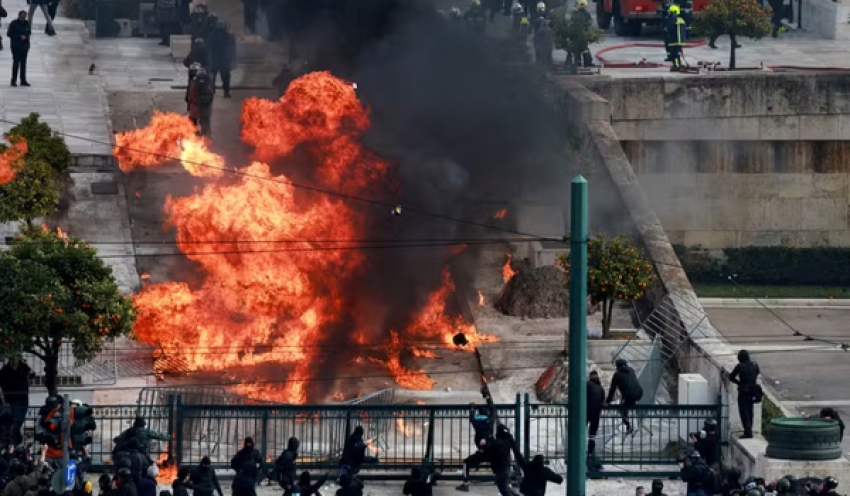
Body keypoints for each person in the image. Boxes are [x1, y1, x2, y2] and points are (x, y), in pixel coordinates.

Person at [456, 391, 496, 492]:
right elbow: (493, 410)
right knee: (499, 464)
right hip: (492, 452)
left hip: (481, 452)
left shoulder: (476, 422)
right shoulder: (490, 421)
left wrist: (472, 407)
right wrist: (488, 399)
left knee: (466, 463)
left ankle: (465, 483)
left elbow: (471, 416)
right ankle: (503, 480)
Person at [604, 358, 643, 435]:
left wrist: (607, 402)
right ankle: (633, 425)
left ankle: (629, 426)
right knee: (630, 406)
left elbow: (612, 390)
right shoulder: (631, 370)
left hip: (628, 395)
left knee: (621, 409)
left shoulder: (617, 374)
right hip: (639, 393)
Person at [730, 349, 761, 439]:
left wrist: (739, 382)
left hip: (744, 390)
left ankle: (747, 431)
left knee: (744, 411)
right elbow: (757, 372)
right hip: (753, 390)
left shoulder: (740, 366)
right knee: (750, 410)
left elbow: (731, 377)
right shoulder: (755, 365)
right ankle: (749, 429)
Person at [0, 359, 31, 446]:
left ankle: (15, 440)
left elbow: (30, 374)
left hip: (23, 398)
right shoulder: (5, 370)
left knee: (20, 418)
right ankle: (15, 441)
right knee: (15, 420)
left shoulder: (23, 368)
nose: (15, 365)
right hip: (12, 399)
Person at [208, 20, 235, 98]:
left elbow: (232, 49)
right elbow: (209, 49)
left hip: (222, 60)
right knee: (215, 78)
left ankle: (224, 92)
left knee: (223, 78)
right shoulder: (212, 36)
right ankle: (217, 91)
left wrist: (232, 59)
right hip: (218, 60)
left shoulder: (227, 37)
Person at [586, 370, 605, 470]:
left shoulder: (587, 385)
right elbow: (603, 400)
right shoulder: (600, 388)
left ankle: (578, 452)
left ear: (590, 377)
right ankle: (590, 453)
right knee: (592, 436)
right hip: (596, 414)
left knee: (580, 433)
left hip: (585, 413)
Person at [188, 66, 214, 137]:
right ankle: (204, 137)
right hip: (202, 107)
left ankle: (200, 138)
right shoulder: (206, 81)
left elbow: (193, 94)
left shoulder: (198, 81)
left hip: (198, 107)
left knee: (196, 122)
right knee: (203, 123)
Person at [570, 0, 594, 68]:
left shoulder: (575, 13)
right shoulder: (585, 13)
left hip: (579, 34)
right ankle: (587, 62)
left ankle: (579, 63)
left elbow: (572, 22)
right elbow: (590, 22)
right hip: (582, 34)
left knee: (579, 50)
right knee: (584, 49)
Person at [663, 4, 686, 72]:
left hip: (673, 40)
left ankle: (676, 66)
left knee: (674, 54)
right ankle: (679, 64)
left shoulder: (672, 20)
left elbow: (667, 28)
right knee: (676, 53)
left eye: (670, 12)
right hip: (680, 40)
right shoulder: (680, 19)